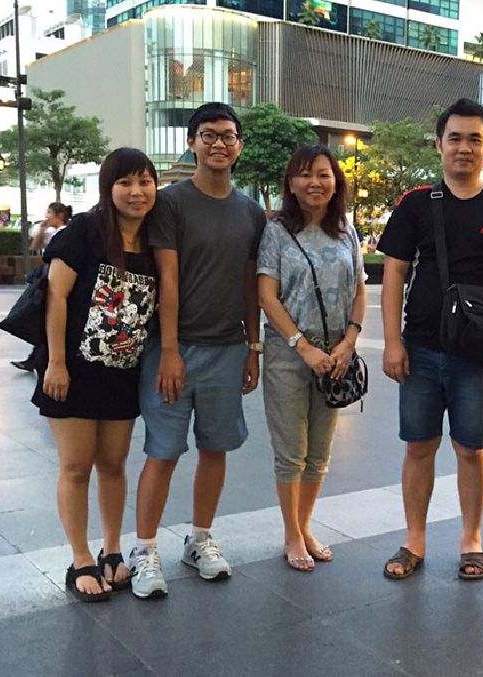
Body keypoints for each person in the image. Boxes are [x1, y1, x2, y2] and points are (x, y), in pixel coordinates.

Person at [378, 98, 483, 580]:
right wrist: (391, 341)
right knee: (419, 445)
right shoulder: (415, 203)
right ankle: (414, 541)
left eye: (474, 139)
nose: (464, 148)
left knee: (471, 448)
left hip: (479, 350)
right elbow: (393, 276)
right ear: (439, 144)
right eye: (455, 138)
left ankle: (472, 540)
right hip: (421, 346)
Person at [128, 102, 265, 600]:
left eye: (228, 135)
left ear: (239, 145)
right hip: (174, 350)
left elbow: (251, 285)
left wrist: (253, 346)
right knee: (162, 452)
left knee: (215, 448)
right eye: (208, 135)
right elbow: (167, 278)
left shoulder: (250, 211)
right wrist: (168, 350)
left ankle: (200, 538)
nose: (219, 143)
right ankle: (143, 549)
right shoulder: (171, 203)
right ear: (192, 142)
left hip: (229, 349)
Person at [31, 148, 158, 602]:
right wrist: (57, 364)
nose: (136, 191)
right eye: (125, 182)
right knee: (76, 466)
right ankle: (81, 558)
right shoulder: (84, 230)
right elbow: (57, 297)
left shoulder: (152, 238)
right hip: (74, 372)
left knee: (113, 465)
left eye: (145, 181)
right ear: (109, 188)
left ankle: (112, 550)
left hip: (122, 374)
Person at [258, 145, 366, 571]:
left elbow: (359, 291)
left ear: (335, 180)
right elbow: (267, 296)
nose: (314, 183)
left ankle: (304, 526)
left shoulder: (347, 231)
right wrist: (303, 346)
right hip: (290, 354)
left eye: (323, 174)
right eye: (304, 175)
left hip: (336, 356)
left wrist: (348, 342)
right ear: (291, 183)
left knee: (320, 452)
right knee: (291, 451)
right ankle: (291, 534)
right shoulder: (276, 231)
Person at [12, 202, 74, 372]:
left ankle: (36, 360)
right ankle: (35, 359)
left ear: (60, 215)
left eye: (50, 213)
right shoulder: (50, 232)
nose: (47, 216)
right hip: (47, 276)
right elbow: (35, 246)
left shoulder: (66, 233)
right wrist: (41, 228)